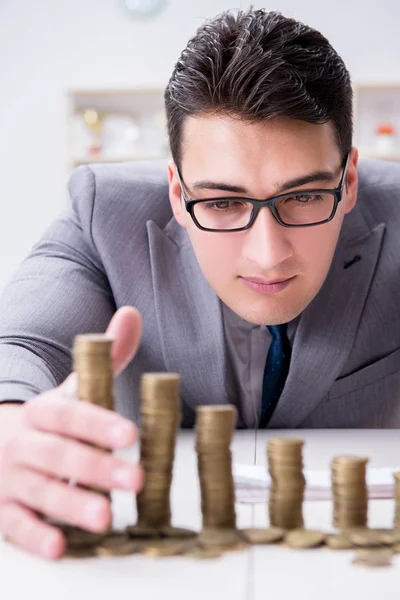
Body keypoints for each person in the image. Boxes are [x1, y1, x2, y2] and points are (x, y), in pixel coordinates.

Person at [0, 7, 399, 560]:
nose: (268, 254)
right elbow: (20, 346)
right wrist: (9, 428)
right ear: (177, 193)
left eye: (304, 196)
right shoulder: (101, 211)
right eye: (223, 202)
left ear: (349, 180)